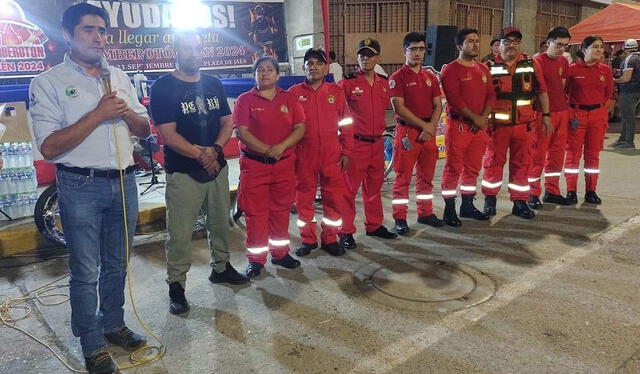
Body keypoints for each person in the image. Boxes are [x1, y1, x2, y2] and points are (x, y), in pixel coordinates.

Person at [29, 3, 149, 373]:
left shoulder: (120, 77)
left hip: (124, 182)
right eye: (88, 30)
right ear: (67, 35)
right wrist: (98, 113)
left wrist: (125, 112)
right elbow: (49, 147)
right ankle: (92, 342)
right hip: (81, 186)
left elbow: (144, 129)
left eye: (102, 31)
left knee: (117, 263)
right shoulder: (47, 82)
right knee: (86, 270)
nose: (99, 38)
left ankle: (113, 324)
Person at [150, 30, 249, 316]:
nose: (194, 53)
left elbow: (227, 121)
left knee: (220, 223)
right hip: (183, 172)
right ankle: (177, 286)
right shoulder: (163, 87)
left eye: (197, 48)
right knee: (179, 233)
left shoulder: (213, 83)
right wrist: (201, 155)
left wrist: (216, 150)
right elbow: (168, 134)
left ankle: (221, 267)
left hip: (216, 168)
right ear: (176, 52)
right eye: (188, 49)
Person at [233, 56, 306, 278]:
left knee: (281, 211)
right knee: (256, 214)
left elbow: (300, 127)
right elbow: (241, 131)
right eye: (260, 70)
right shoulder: (244, 100)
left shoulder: (290, 99)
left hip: (283, 165)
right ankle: (256, 259)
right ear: (254, 74)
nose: (264, 73)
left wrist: (281, 147)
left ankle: (280, 253)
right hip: (255, 166)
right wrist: (267, 150)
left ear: (277, 75)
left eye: (269, 69)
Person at [482, 26, 552, 219]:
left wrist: (546, 115)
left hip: (524, 125)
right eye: (507, 41)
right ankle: (490, 200)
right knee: (493, 163)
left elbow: (542, 91)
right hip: (497, 127)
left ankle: (520, 202)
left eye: (515, 41)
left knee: (522, 164)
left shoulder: (531, 63)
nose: (511, 45)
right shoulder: (487, 66)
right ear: (499, 44)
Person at [289, 48, 353, 256]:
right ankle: (308, 239)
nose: (314, 67)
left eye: (318, 63)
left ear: (326, 67)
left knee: (333, 197)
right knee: (304, 198)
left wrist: (347, 151)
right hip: (303, 155)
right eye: (310, 63)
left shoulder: (336, 92)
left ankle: (330, 238)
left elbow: (347, 124)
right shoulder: (294, 94)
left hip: (331, 154)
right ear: (303, 67)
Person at [337, 38, 397, 249]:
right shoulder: (348, 83)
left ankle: (374, 225)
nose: (365, 58)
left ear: (378, 58)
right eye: (362, 55)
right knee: (348, 190)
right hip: (355, 145)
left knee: (374, 188)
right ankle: (345, 231)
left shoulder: (384, 83)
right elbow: (336, 113)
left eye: (370, 55)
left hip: (377, 144)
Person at [389, 32, 444, 235]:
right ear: (405, 51)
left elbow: (438, 105)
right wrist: (425, 126)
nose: (418, 53)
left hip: (427, 135)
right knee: (403, 178)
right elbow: (399, 108)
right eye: (413, 49)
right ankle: (400, 218)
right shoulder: (397, 78)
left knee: (426, 177)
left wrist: (430, 128)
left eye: (421, 49)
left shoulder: (431, 77)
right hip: (408, 134)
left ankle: (425, 213)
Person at [439, 28, 494, 227]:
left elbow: (491, 96)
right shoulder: (451, 70)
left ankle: (467, 205)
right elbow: (454, 99)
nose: (475, 44)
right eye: (470, 41)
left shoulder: (483, 69)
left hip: (478, 128)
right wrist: (476, 119)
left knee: (472, 168)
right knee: (453, 167)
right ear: (459, 46)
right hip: (459, 127)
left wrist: (484, 117)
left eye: (477, 41)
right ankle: (449, 208)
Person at [564, 35, 614, 204]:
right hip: (576, 116)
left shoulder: (605, 70)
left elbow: (608, 94)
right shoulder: (572, 69)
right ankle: (571, 191)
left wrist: (600, 113)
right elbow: (565, 92)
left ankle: (591, 191)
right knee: (573, 155)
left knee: (593, 156)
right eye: (595, 47)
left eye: (601, 46)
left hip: (597, 116)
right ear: (584, 50)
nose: (599, 50)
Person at [527, 26, 573, 208]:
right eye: (559, 44)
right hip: (542, 114)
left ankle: (552, 191)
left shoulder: (563, 62)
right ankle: (532, 192)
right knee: (537, 155)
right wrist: (544, 114)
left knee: (556, 155)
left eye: (566, 46)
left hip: (561, 112)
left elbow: (562, 87)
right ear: (548, 43)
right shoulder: (535, 62)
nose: (562, 49)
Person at [612, 39, 640, 148]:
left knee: (627, 117)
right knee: (627, 116)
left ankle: (628, 141)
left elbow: (626, 78)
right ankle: (623, 139)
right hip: (637, 90)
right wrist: (620, 72)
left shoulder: (629, 59)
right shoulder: (638, 56)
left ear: (624, 48)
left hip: (629, 91)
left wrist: (614, 79)